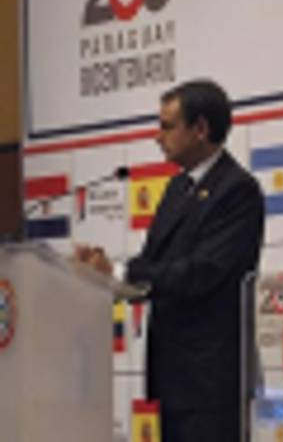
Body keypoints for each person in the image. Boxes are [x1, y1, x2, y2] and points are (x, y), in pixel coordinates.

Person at [76, 79, 265, 442]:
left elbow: (200, 273)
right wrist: (104, 274)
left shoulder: (237, 190)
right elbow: (153, 265)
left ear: (200, 129)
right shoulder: (177, 188)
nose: (157, 137)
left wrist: (120, 271)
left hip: (211, 384)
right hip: (173, 376)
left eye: (167, 126)